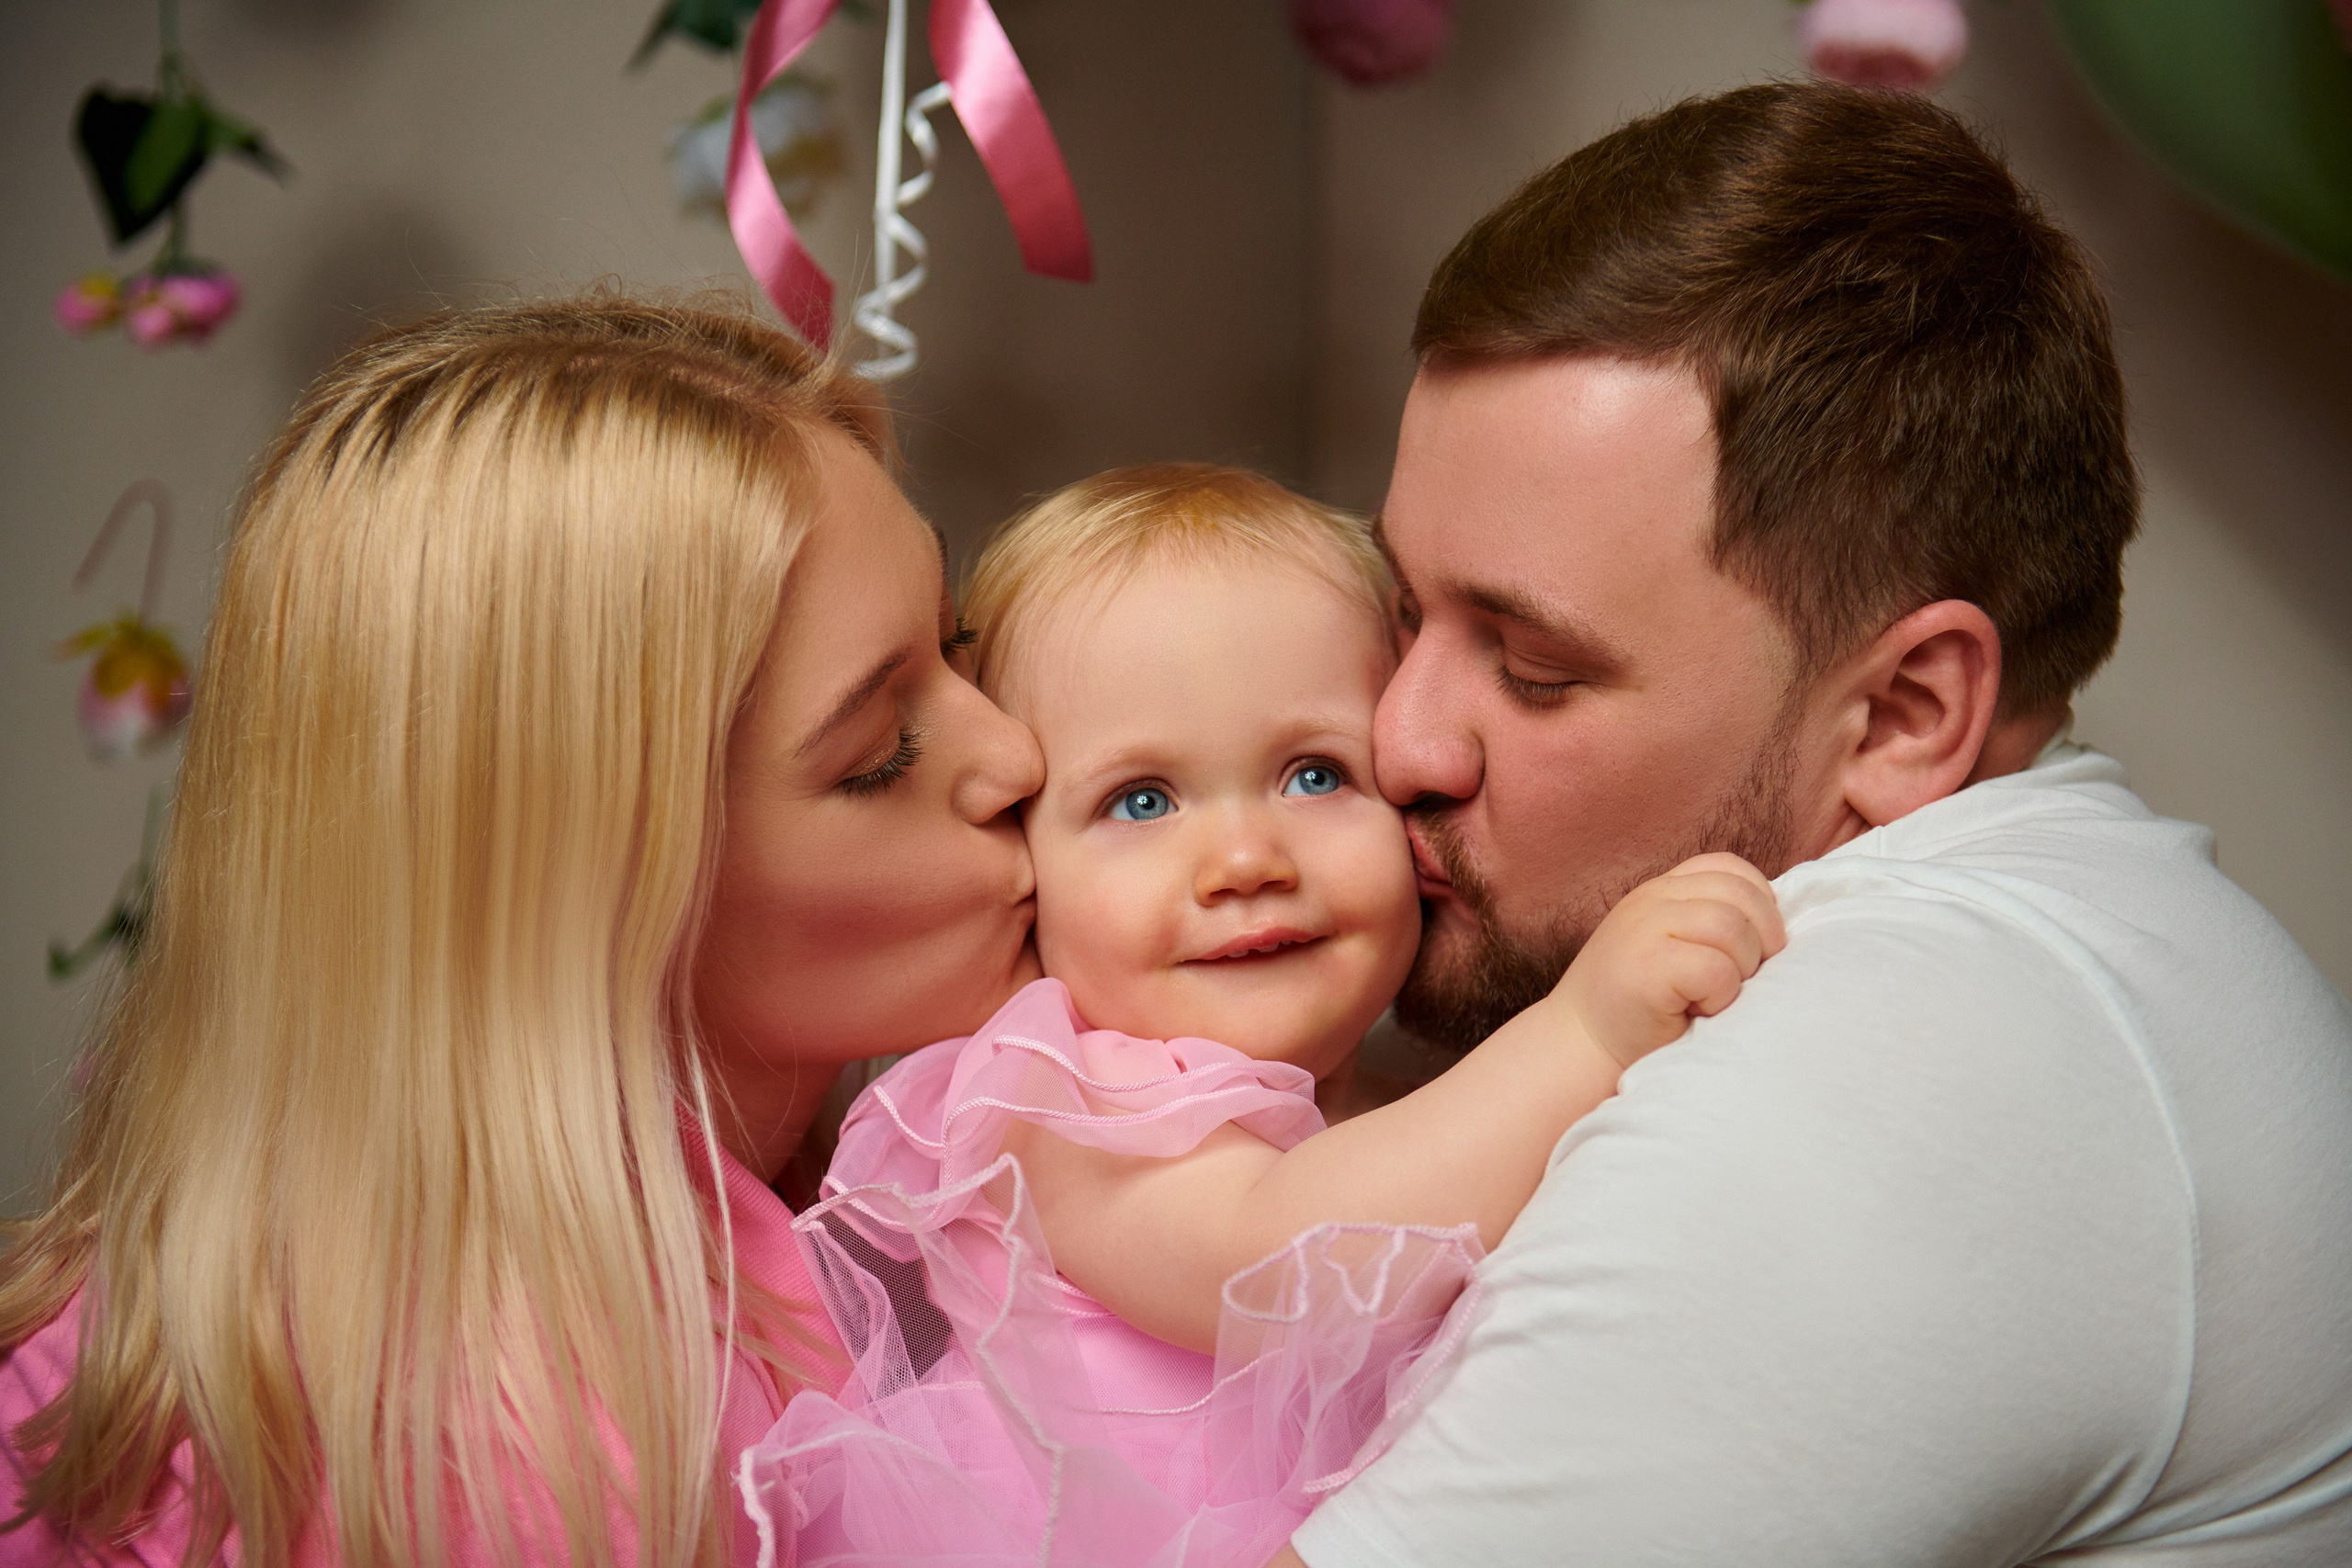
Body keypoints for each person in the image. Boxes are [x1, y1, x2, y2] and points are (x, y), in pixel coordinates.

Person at [1267, 82, 2352, 1567]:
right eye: (1404, 609)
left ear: (1903, 713)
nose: (1399, 740)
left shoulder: (1906, 1074)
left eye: (1532, 668)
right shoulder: (2078, 938)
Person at [0, 297, 1051, 1567]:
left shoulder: (913, 1204)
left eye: (956, 645)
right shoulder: (545, 1469)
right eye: (880, 752)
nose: (1019, 754)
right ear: (587, 898)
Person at [739, 465, 1784, 1566]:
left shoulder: (1423, 1113)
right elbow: (1278, 1262)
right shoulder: (1056, 1106)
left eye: (1314, 776)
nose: (1245, 859)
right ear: (1026, 861)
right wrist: (1585, 1034)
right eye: (1142, 800)